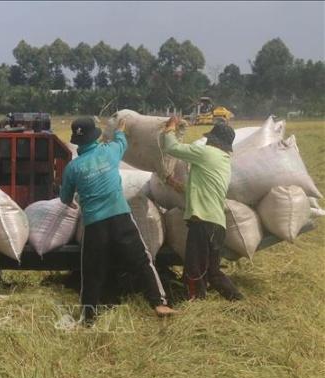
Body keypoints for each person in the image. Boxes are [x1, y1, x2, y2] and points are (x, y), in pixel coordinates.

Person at [60, 116, 176, 324]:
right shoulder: (109, 152)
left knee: (92, 270)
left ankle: (88, 316)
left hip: (94, 224)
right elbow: (122, 141)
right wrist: (121, 129)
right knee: (142, 260)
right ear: (95, 137)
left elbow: (65, 199)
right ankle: (159, 302)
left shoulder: (73, 169)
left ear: (77, 142)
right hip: (120, 216)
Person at [161, 117, 243, 301]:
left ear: (213, 140)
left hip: (203, 223)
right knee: (212, 271)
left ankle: (197, 302)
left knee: (194, 268)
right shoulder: (223, 161)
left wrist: (170, 129)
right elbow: (199, 187)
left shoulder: (207, 153)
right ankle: (237, 299)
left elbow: (172, 148)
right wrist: (174, 183)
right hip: (217, 225)